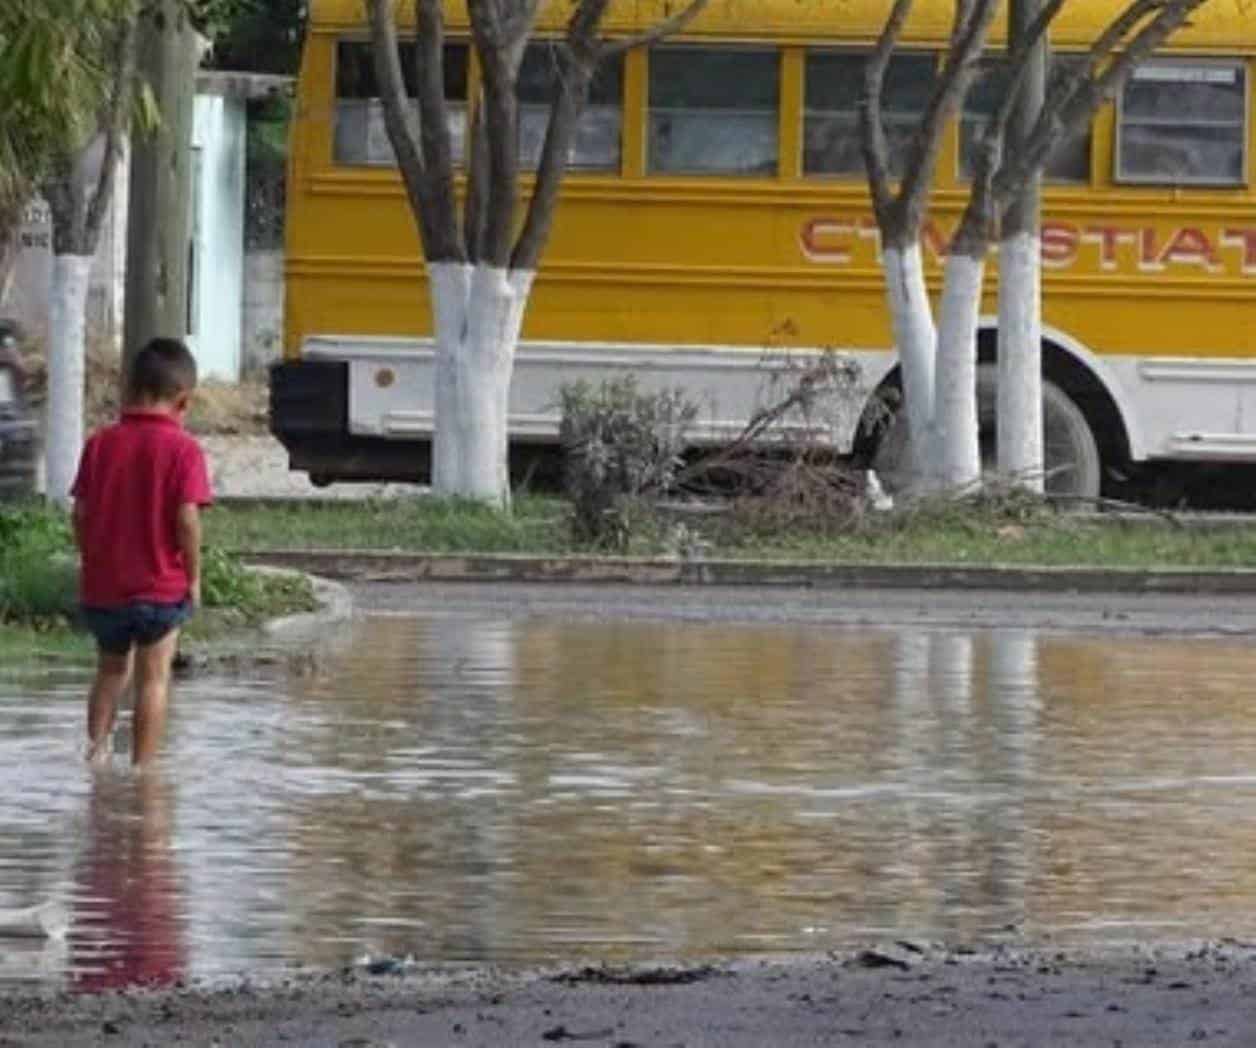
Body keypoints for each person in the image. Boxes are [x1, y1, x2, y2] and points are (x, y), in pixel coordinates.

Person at [72, 338, 213, 767]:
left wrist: (91, 558)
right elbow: (187, 520)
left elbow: (79, 513)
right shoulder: (184, 450)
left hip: (105, 588)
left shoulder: (100, 444)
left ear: (128, 388)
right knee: (154, 681)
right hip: (160, 589)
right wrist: (193, 576)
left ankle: (96, 758)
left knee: (110, 671)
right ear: (183, 400)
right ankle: (143, 773)